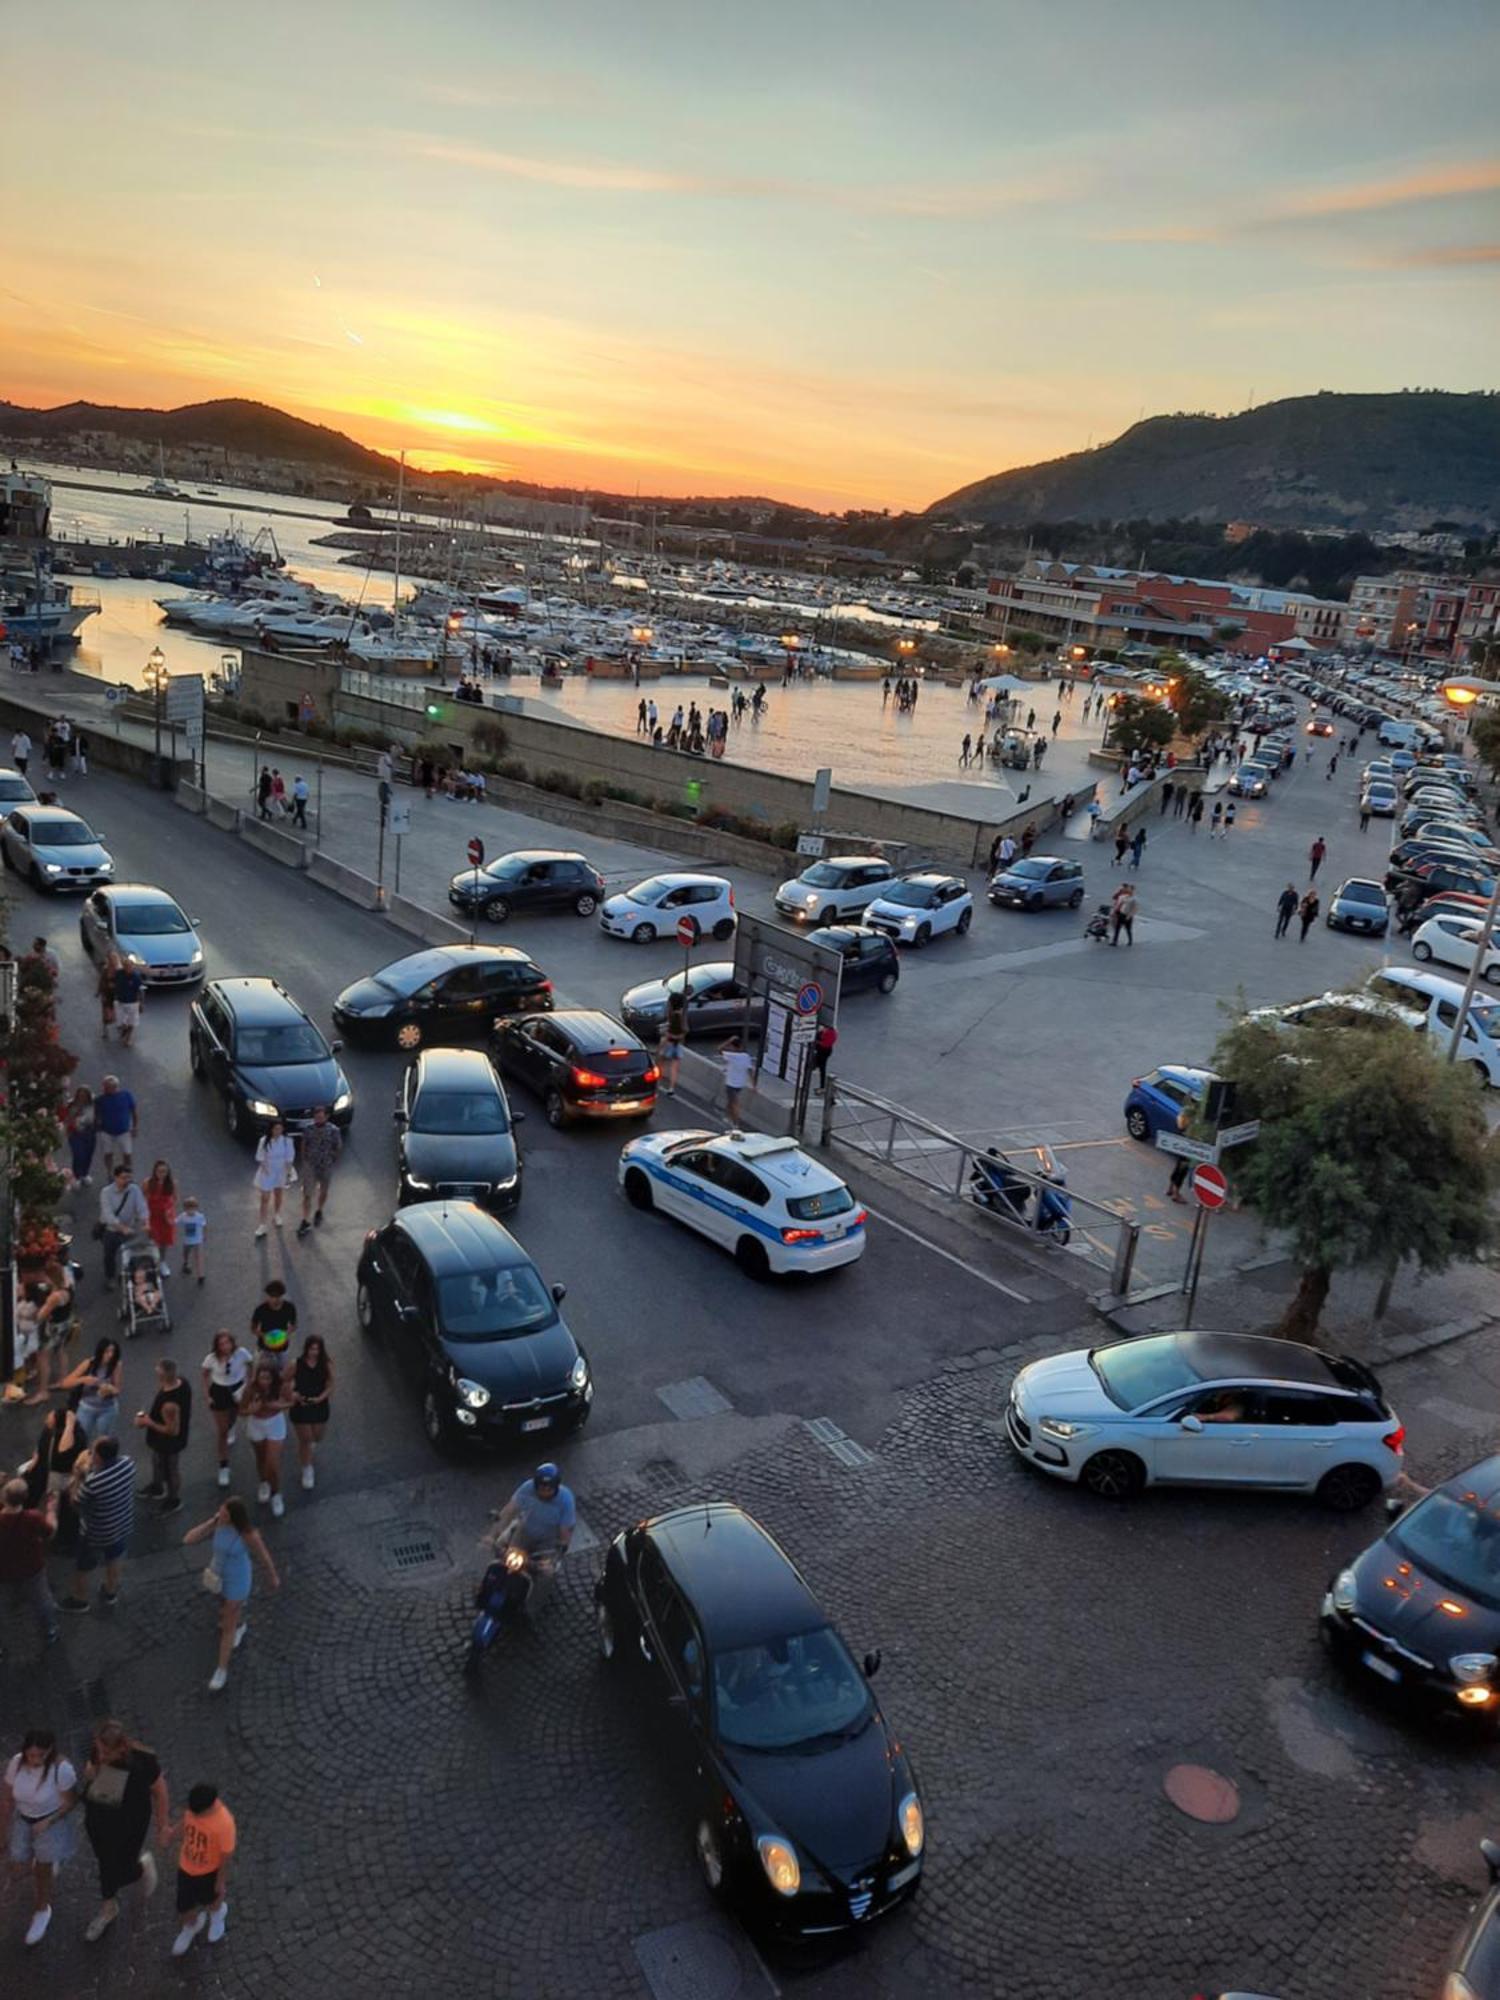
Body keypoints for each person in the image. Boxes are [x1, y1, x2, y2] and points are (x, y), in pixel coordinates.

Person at [78, 1719, 169, 1942]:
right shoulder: (97, 1753)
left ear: (121, 1747)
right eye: (99, 1749)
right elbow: (91, 1774)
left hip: (130, 1820)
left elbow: (160, 1792)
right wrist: (91, 1773)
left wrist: (162, 1826)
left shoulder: (142, 1761)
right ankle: (109, 1906)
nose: (101, 1756)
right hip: (99, 1816)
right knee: (105, 1862)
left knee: (118, 1866)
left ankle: (139, 1870)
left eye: (106, 1752)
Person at [184, 1498, 279, 1693]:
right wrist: (212, 1522)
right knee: (229, 1612)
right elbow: (189, 1539)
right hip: (219, 1576)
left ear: (234, 1517)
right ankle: (240, 1625)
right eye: (221, 1510)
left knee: (227, 1624)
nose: (221, 1513)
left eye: (225, 1513)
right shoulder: (218, 1523)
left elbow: (263, 1556)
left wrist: (272, 1576)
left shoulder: (248, 1534)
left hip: (238, 1580)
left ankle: (221, 1670)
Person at [2, 1728, 78, 1946]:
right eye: (31, 1755)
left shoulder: (61, 1770)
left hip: (50, 1821)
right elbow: (7, 1799)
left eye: (40, 1755)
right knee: (17, 1863)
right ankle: (45, 1863)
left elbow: (71, 1802)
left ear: (50, 1751)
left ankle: (42, 1909)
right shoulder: (16, 1764)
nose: (35, 1760)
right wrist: (2, 1833)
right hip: (23, 1818)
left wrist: (49, 1820)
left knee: (42, 1870)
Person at [61, 1433, 135, 1611]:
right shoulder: (128, 1464)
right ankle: (110, 1591)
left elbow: (75, 1502)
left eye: (92, 1451)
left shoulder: (93, 1482)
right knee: (114, 1557)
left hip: (96, 1531)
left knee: (83, 1565)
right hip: (121, 1523)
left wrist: (78, 1474)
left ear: (99, 1456)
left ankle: (80, 1599)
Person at [169, 1782, 236, 1954]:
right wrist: (172, 1833)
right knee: (183, 1905)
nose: (193, 1815)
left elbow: (226, 1856)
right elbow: (185, 1822)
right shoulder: (195, 1809)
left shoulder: (224, 1824)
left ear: (209, 1808)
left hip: (209, 1872)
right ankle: (191, 1926)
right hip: (186, 1867)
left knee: (212, 1898)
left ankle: (217, 1914)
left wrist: (220, 1881)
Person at [0, 1478, 58, 1649]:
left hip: (3, 1571)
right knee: (42, 1601)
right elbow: (49, 1532)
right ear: (25, 1497)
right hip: (32, 1568)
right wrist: (51, 1511)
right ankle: (49, 1631)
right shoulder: (33, 1517)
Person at [135, 1358, 191, 1514]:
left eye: (158, 1371)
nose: (155, 1372)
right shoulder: (182, 1383)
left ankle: (174, 1500)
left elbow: (172, 1430)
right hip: (161, 1441)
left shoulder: (169, 1405)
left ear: (163, 1375)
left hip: (168, 1442)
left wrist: (147, 1422)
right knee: (157, 1461)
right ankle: (157, 1486)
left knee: (171, 1469)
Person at [202, 1331, 254, 1488]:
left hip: (238, 1388)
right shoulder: (211, 1359)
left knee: (234, 1417)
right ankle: (223, 1466)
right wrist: (207, 1396)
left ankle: (231, 1427)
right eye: (221, 1344)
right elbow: (204, 1375)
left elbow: (251, 1365)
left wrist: (249, 1384)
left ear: (232, 1342)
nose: (225, 1346)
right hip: (219, 1391)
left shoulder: (241, 1353)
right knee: (222, 1430)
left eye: (227, 1342)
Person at [242, 1361, 292, 1517]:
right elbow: (241, 1410)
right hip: (256, 1424)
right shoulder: (250, 1389)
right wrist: (252, 1410)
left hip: (274, 1423)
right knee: (261, 1458)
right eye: (262, 1378)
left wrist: (275, 1405)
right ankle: (263, 1482)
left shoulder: (281, 1387)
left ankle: (276, 1493)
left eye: (268, 1378)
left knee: (272, 1463)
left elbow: (289, 1402)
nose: (264, 1381)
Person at [496, 1463, 576, 1557]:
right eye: (542, 1487)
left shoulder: (566, 1499)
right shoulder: (527, 1487)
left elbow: (565, 1529)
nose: (545, 1492)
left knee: (545, 1570)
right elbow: (510, 1508)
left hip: (548, 1540)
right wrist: (493, 1534)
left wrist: (561, 1549)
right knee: (502, 1552)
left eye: (549, 1488)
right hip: (525, 1532)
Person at [287, 1334, 334, 1491]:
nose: (314, 1352)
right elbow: (284, 1380)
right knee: (306, 1439)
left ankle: (307, 1451)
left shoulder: (326, 1364)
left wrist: (320, 1398)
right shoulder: (296, 1364)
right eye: (311, 1348)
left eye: (317, 1349)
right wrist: (292, 1394)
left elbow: (330, 1385)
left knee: (317, 1437)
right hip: (301, 1405)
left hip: (319, 1404)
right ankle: (307, 1468)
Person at [62, 1338, 124, 1442]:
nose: (110, 1355)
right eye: (107, 1351)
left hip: (107, 1409)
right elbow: (65, 1383)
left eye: (112, 1351)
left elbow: (118, 1389)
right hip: (87, 1408)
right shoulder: (88, 1364)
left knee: (104, 1439)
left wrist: (110, 1389)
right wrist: (83, 1380)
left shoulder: (116, 1365)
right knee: (81, 1438)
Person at [295, 1105, 342, 1236]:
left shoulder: (333, 1130)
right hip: (310, 1166)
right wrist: (304, 1159)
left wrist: (332, 1159)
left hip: (325, 1165)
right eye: (316, 1117)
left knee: (324, 1190)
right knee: (307, 1194)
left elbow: (338, 1146)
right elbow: (304, 1144)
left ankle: (319, 1210)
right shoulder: (308, 1129)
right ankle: (305, 1220)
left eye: (321, 1116)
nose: (318, 1119)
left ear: (326, 1117)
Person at [98, 1164, 148, 1284]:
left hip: (129, 1227)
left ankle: (127, 1274)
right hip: (111, 1229)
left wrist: (146, 1222)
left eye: (128, 1178)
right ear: (115, 1177)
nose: (127, 1181)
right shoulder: (106, 1192)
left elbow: (142, 1207)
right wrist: (122, 1228)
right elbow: (108, 1215)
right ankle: (110, 1277)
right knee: (109, 1255)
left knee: (132, 1253)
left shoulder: (134, 1189)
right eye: (123, 1178)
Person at [252, 1118, 295, 1237]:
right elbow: (260, 1157)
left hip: (281, 1171)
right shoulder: (264, 1141)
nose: (278, 1131)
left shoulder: (287, 1141)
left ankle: (277, 1214)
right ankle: (262, 1224)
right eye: (276, 1129)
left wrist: (288, 1173)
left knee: (278, 1194)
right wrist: (265, 1170)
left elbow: (289, 1157)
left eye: (280, 1129)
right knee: (264, 1198)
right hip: (268, 1171)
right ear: (271, 1129)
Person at [95, 1074, 137, 1174]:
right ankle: (109, 1172)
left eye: (106, 1087)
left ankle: (127, 1173)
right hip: (107, 1131)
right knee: (108, 1153)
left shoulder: (126, 1095)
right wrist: (97, 1125)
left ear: (114, 1087)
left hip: (124, 1131)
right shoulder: (100, 1099)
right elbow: (97, 1114)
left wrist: (135, 1127)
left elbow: (133, 1112)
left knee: (127, 1153)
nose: (104, 1089)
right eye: (104, 1086)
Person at [144, 1158, 177, 1276]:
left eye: (164, 1171)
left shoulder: (171, 1183)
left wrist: (171, 1215)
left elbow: (175, 1199)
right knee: (153, 1240)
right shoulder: (148, 1182)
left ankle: (162, 1262)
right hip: (153, 1216)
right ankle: (153, 1261)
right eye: (159, 1171)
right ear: (155, 1171)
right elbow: (144, 1199)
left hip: (165, 1217)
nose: (162, 1174)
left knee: (164, 1242)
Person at [250, 1278, 296, 1359]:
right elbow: (253, 1328)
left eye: (278, 1296)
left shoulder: (289, 1308)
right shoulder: (260, 1310)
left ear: (282, 1295)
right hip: (264, 1348)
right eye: (272, 1296)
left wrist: (285, 1334)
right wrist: (265, 1336)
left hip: (282, 1348)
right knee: (264, 1370)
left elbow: (293, 1324)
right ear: (267, 1296)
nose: (274, 1299)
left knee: (282, 1370)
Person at [64, 1084, 97, 1187]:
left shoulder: (94, 1104)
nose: (82, 1097)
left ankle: (85, 1174)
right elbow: (66, 1117)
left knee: (88, 1154)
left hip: (90, 1132)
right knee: (78, 1155)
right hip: (75, 1133)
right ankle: (77, 1176)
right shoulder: (71, 1104)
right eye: (80, 1095)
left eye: (84, 1095)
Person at [721, 1035, 754, 1130]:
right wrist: (753, 1084)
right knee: (731, 1101)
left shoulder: (731, 1056)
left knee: (734, 1103)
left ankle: (735, 1122)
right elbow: (750, 1070)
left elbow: (719, 1049)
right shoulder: (746, 1056)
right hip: (740, 1084)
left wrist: (728, 1041)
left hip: (731, 1083)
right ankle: (727, 1116)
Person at [657, 992, 686, 1097]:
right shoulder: (682, 1015)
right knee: (674, 1067)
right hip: (678, 1045)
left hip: (669, 1043)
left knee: (661, 1064)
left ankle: (658, 1084)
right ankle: (671, 1088)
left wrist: (664, 1039)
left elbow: (669, 1032)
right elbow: (683, 1032)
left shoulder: (673, 1016)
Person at [180, 1194, 207, 1282]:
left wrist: (204, 1235)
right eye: (188, 1209)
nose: (190, 1211)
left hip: (197, 1240)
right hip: (187, 1241)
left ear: (196, 1208)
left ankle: (201, 1274)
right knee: (186, 1252)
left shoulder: (199, 1217)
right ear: (185, 1209)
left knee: (199, 1256)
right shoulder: (183, 1216)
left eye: (192, 1208)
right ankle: (186, 1262)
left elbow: (204, 1226)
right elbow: (175, 1221)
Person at [97, 949, 120, 1038]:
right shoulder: (105, 969)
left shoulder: (120, 970)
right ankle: (105, 1030)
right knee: (106, 1012)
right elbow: (101, 980)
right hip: (106, 993)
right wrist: (99, 991)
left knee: (117, 1011)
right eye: (110, 958)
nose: (112, 960)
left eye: (114, 958)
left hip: (116, 994)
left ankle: (119, 1026)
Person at [1110, 882, 1138, 948]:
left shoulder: (1134, 899)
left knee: (1128, 929)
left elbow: (1134, 909)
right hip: (1121, 914)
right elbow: (1119, 903)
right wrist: (1116, 911)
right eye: (1128, 889)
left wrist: (1129, 916)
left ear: (1133, 891)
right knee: (1117, 928)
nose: (1129, 890)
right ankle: (1115, 941)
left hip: (1127, 915)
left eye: (1130, 889)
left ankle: (1130, 941)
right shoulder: (1124, 896)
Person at [812, 1019, 838, 1090]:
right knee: (819, 1064)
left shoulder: (831, 1033)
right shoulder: (829, 1031)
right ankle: (815, 1067)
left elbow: (825, 1044)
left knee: (822, 1068)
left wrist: (817, 1042)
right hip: (822, 1050)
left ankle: (822, 1086)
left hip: (823, 1051)